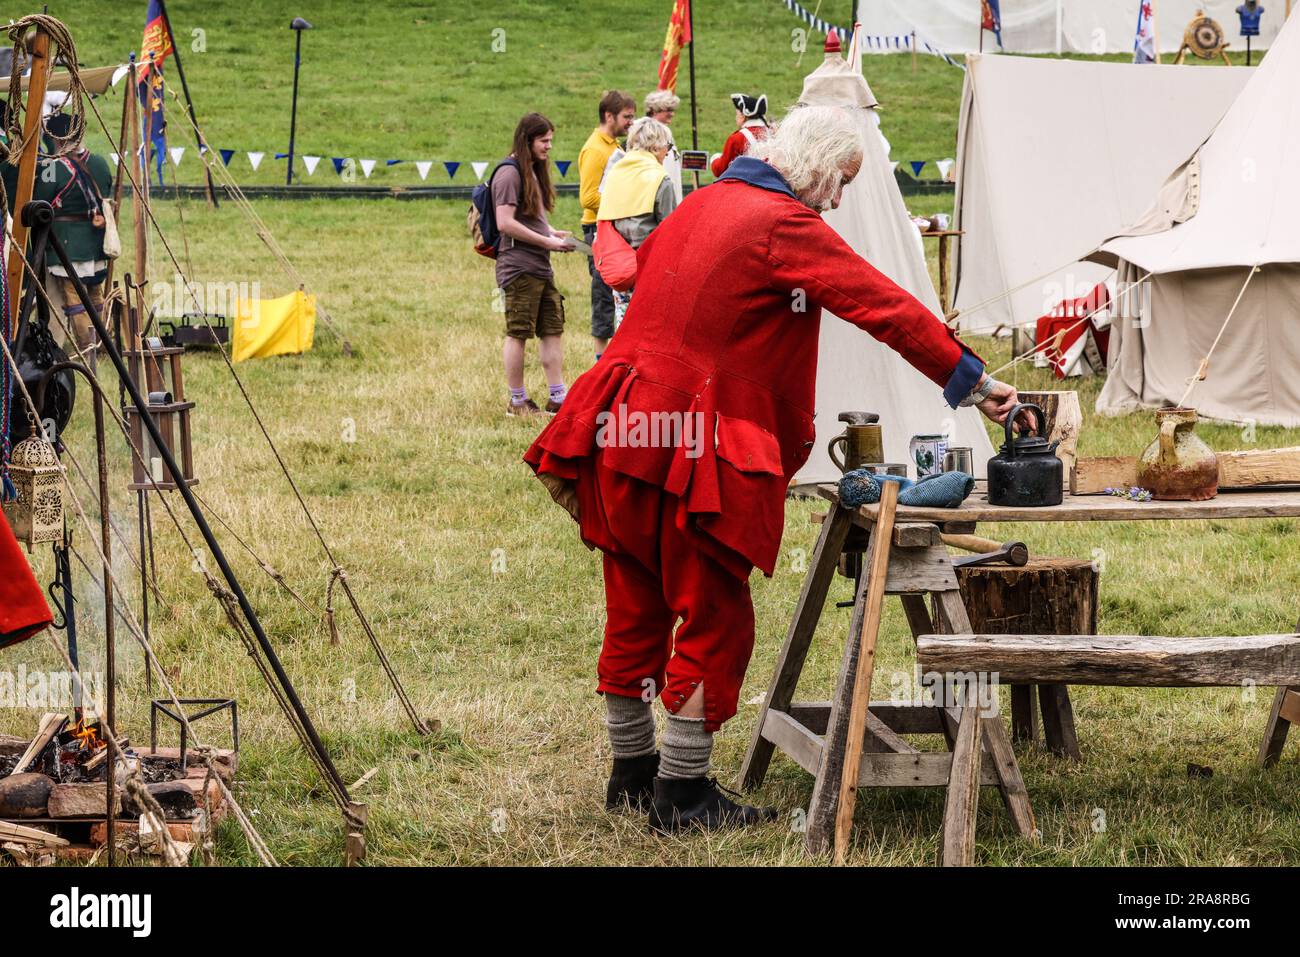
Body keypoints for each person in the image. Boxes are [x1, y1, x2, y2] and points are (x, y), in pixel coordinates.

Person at [524, 106, 1022, 833]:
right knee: (715, 613)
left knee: (636, 603)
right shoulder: (782, 223)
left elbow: (632, 270)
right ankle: (681, 794)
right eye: (842, 182)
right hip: (691, 443)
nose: (841, 199)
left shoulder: (703, 200)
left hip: (623, 428)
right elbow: (879, 303)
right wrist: (975, 381)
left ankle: (630, 776)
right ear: (818, 166)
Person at [2, 112, 114, 356]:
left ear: (59, 138)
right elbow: (106, 189)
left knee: (74, 300)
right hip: (96, 243)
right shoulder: (100, 162)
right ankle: (105, 345)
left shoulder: (53, 167)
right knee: (95, 296)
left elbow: (40, 200)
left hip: (66, 244)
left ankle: (88, 349)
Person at [493, 112, 574, 417]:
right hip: (519, 267)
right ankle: (517, 402)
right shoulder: (509, 173)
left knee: (552, 329)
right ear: (527, 140)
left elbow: (529, 219)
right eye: (544, 140)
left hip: (541, 266)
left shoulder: (531, 172)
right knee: (518, 332)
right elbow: (505, 223)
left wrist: (550, 232)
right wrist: (548, 242)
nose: (549, 146)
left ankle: (558, 397)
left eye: (551, 140)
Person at [596, 117, 677, 329]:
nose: (667, 152)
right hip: (649, 270)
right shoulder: (660, 179)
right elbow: (671, 232)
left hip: (620, 267)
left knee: (624, 330)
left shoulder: (615, 174)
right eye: (666, 146)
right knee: (651, 331)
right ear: (657, 145)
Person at [578, 90, 635, 361]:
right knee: (603, 291)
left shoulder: (616, 147)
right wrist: (623, 205)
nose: (630, 123)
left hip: (613, 228)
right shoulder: (595, 149)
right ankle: (600, 359)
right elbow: (587, 197)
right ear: (609, 116)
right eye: (627, 117)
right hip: (596, 231)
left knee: (619, 294)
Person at [709, 93, 770, 178]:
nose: (736, 117)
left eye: (737, 114)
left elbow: (720, 170)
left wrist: (714, 159)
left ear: (743, 116)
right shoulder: (772, 133)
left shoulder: (737, 138)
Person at [643, 89, 682, 202]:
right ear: (655, 111)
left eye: (673, 110)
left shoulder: (664, 131)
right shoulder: (645, 133)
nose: (672, 114)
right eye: (668, 110)